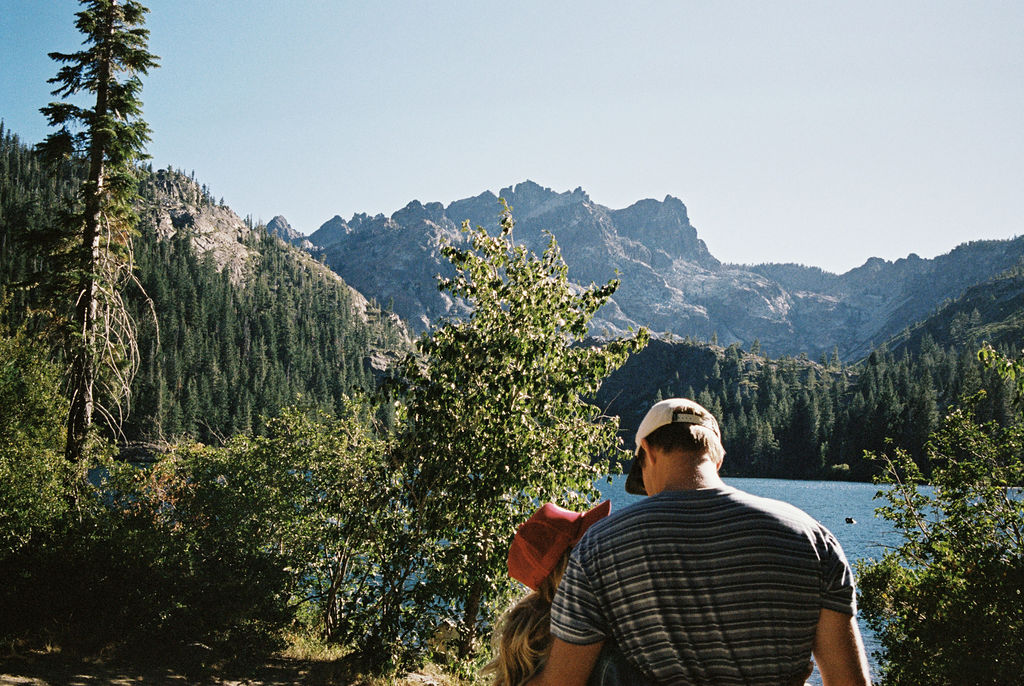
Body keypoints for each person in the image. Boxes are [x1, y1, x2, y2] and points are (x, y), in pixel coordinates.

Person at [526, 398, 871, 686]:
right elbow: (848, 681)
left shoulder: (599, 548)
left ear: (647, 449)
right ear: (717, 458)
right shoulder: (813, 538)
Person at [485, 501, 652, 686]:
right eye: (587, 544)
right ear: (569, 566)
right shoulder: (591, 635)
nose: (599, 547)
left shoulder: (528, 633)